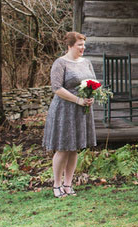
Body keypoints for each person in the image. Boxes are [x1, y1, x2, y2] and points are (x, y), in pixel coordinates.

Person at [43, 32, 97, 198]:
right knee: (63, 148)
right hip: (64, 110)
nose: (83, 47)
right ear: (70, 46)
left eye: (83, 44)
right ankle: (56, 185)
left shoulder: (86, 62)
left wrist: (91, 97)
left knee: (74, 149)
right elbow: (57, 88)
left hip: (81, 111)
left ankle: (68, 184)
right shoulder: (60, 63)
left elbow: (93, 82)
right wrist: (78, 100)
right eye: (79, 44)